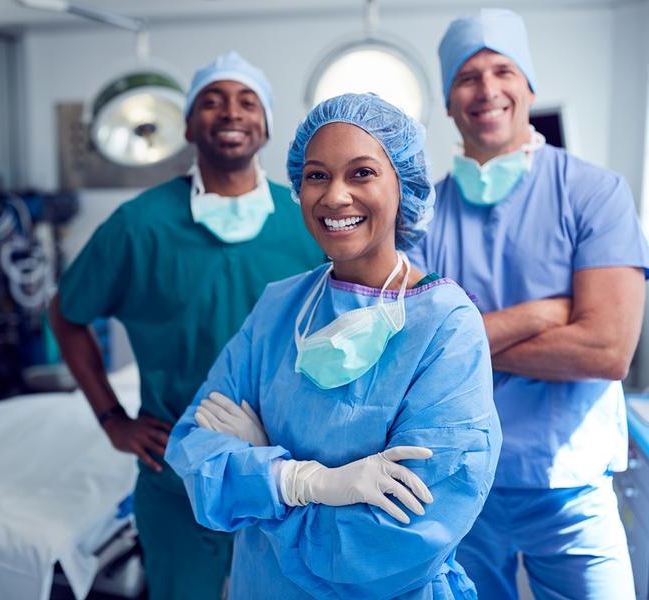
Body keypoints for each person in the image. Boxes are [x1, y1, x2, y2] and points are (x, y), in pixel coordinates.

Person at [165, 93, 502, 599]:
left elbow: (404, 536)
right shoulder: (280, 308)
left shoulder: (445, 325)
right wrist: (304, 481)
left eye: (362, 173)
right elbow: (195, 448)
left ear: (403, 185)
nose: (335, 197)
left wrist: (263, 478)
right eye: (317, 175)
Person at [48, 51, 324, 600]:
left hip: (292, 471)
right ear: (189, 124)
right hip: (180, 478)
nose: (231, 113)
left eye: (247, 101)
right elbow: (65, 314)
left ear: (266, 125)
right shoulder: (139, 224)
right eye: (212, 101)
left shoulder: (308, 219)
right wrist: (112, 418)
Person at [410, 8, 649, 599]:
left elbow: (608, 349)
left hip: (571, 484)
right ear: (447, 101)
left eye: (503, 70)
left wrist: (461, 345)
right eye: (467, 77)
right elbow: (413, 354)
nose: (487, 90)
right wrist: (544, 313)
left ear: (528, 85)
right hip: (460, 485)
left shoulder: (594, 193)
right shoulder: (420, 220)